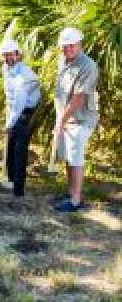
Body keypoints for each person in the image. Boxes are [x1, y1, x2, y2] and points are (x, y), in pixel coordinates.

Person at [52, 27, 99, 213]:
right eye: (65, 46)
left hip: (80, 119)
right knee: (68, 156)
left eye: (72, 45)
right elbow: (61, 91)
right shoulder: (62, 61)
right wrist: (60, 118)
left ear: (80, 44)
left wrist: (62, 120)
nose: (68, 48)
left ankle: (75, 200)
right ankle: (70, 191)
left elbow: (78, 98)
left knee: (76, 157)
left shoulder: (88, 66)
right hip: (65, 117)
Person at [0, 39, 40, 197]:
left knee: (19, 150)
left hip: (25, 112)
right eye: (5, 55)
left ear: (18, 55)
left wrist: (9, 125)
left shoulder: (24, 76)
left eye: (11, 55)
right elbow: (10, 96)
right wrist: (8, 113)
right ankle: (10, 181)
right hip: (14, 108)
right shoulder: (6, 68)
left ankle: (18, 190)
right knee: (9, 147)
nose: (8, 58)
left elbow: (20, 103)